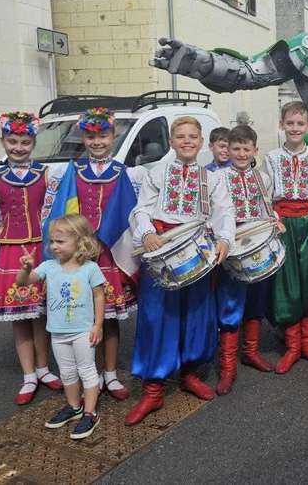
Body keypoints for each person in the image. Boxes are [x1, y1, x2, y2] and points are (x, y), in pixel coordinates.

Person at [125, 116, 235, 425]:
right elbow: (141, 209)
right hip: (161, 252)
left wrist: (225, 238)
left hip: (197, 251)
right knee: (156, 317)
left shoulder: (212, 179)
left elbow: (224, 210)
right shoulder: (156, 173)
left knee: (196, 314)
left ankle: (189, 373)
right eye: (181, 136)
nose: (187, 141)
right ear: (172, 142)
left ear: (201, 143)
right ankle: (153, 388)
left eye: (193, 136)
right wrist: (145, 232)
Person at [46, 107, 144, 401]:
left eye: (103, 135)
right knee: (83, 316)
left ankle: (111, 374)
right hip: (81, 256)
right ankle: (92, 372)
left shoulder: (122, 172)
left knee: (109, 318)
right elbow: (63, 212)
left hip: (109, 255)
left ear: (113, 136)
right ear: (84, 138)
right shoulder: (74, 172)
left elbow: (129, 213)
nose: (97, 141)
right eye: (91, 136)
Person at [0, 111, 62, 404]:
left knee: (41, 314)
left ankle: (44, 368)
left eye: (25, 142)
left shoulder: (47, 175)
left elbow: (54, 215)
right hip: (8, 249)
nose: (18, 147)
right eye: (13, 141)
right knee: (19, 316)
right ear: (3, 141)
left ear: (33, 143)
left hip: (40, 248)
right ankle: (28, 375)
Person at [16, 215, 105, 439]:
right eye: (52, 241)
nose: (54, 246)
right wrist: (26, 268)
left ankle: (90, 413)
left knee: (87, 370)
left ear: (80, 240)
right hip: (57, 332)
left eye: (60, 241)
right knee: (66, 372)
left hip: (83, 331)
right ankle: (74, 406)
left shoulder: (90, 268)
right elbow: (22, 282)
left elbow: (99, 297)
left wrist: (98, 325)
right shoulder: (48, 266)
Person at [261, 101, 308, 374]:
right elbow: (266, 197)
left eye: (300, 123)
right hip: (284, 224)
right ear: (282, 125)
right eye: (289, 123)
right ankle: (292, 347)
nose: (294, 128)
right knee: (287, 283)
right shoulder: (271, 158)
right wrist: (273, 222)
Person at [212, 125, 282, 394]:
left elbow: (267, 208)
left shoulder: (262, 177)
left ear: (255, 150)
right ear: (227, 149)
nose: (241, 153)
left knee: (257, 299)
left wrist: (276, 222)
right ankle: (228, 367)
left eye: (246, 148)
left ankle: (250, 352)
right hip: (232, 247)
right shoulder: (217, 177)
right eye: (236, 148)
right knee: (231, 303)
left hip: (258, 245)